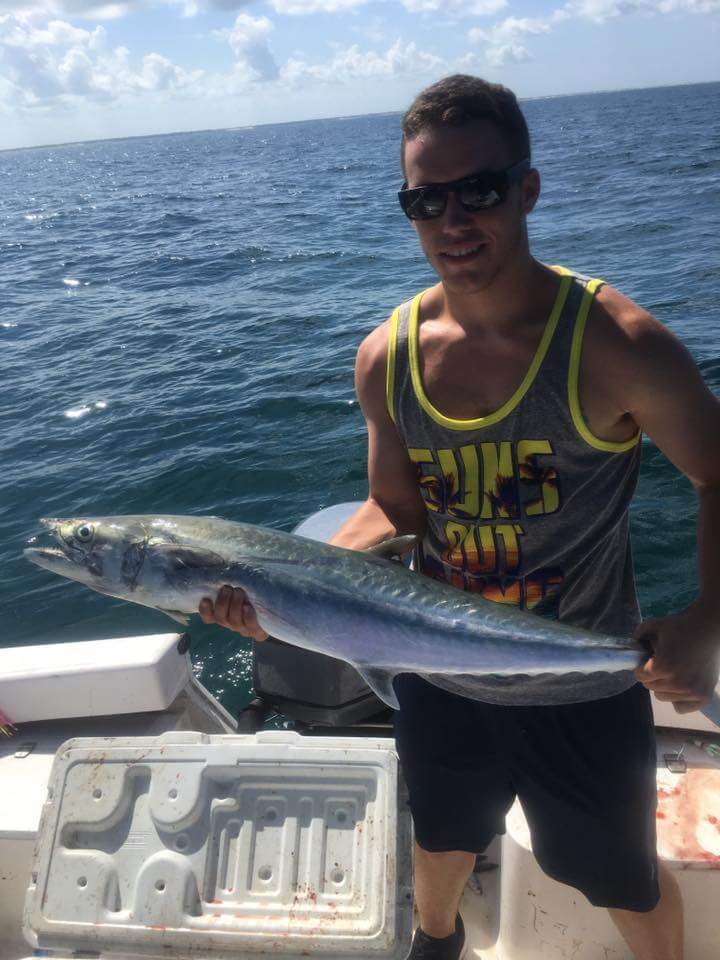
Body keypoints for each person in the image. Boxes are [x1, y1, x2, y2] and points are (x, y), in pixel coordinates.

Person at [199, 75, 720, 960]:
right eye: (425, 199)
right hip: (435, 676)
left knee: (615, 875)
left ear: (527, 189)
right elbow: (393, 512)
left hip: (581, 688)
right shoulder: (388, 358)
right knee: (440, 833)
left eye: (478, 189)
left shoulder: (615, 344)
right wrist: (277, 583)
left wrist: (708, 618)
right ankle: (436, 942)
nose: (453, 219)